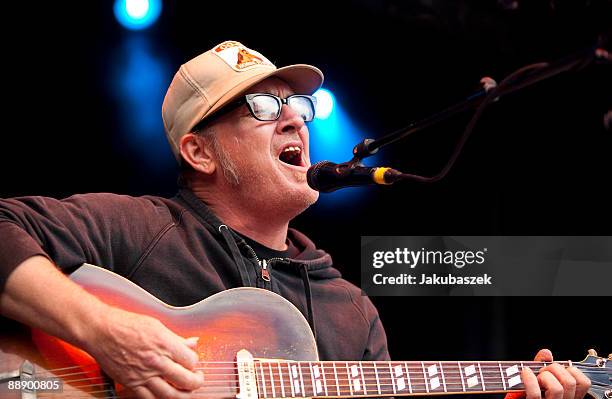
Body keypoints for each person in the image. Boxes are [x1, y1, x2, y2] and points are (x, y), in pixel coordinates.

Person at [0, 41, 590, 399]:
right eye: (262, 107)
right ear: (200, 152)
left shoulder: (350, 311)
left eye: (297, 107)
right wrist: (106, 334)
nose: (295, 122)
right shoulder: (135, 228)